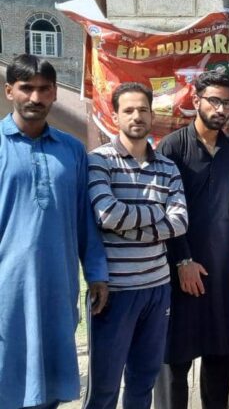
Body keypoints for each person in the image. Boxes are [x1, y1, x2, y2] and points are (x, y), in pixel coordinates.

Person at [0, 54, 108, 409]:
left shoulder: (72, 150)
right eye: (26, 88)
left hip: (58, 286)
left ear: (54, 94)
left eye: (44, 89)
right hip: (7, 291)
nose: (36, 97)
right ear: (9, 91)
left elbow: (84, 220)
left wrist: (96, 275)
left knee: (51, 383)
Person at [84, 82, 188, 409]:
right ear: (115, 116)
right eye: (128, 110)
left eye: (143, 109)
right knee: (104, 387)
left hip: (157, 288)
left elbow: (181, 222)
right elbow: (106, 214)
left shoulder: (167, 167)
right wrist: (156, 214)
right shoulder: (99, 161)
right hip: (115, 290)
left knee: (144, 380)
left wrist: (134, 223)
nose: (137, 116)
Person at [153, 71, 229, 409]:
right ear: (196, 101)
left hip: (222, 270)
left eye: (227, 103)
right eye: (214, 101)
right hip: (181, 271)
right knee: (175, 359)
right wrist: (183, 261)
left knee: (220, 353)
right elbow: (164, 210)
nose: (221, 109)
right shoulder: (173, 147)